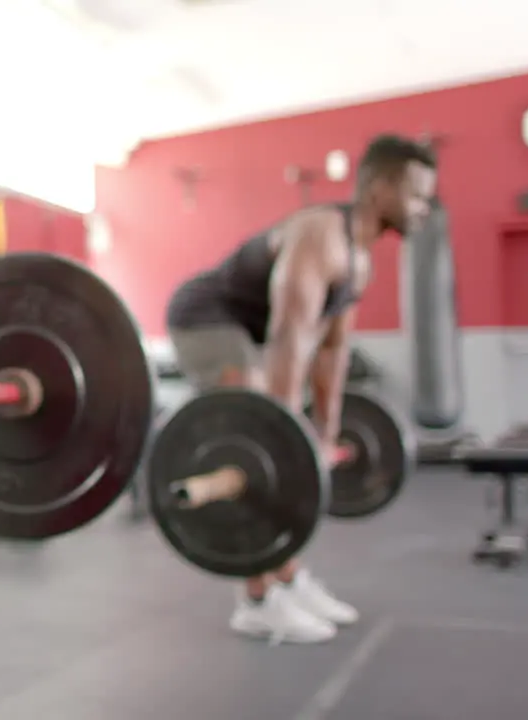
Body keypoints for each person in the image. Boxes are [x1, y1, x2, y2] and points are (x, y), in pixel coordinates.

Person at [164, 134, 437, 645]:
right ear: (379, 189)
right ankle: (256, 600)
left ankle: (288, 578)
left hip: (251, 335)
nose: (424, 209)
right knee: (260, 438)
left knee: (286, 442)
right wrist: (285, 443)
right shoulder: (320, 236)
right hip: (206, 318)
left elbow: (331, 352)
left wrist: (325, 430)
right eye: (417, 195)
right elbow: (290, 341)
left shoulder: (358, 261)